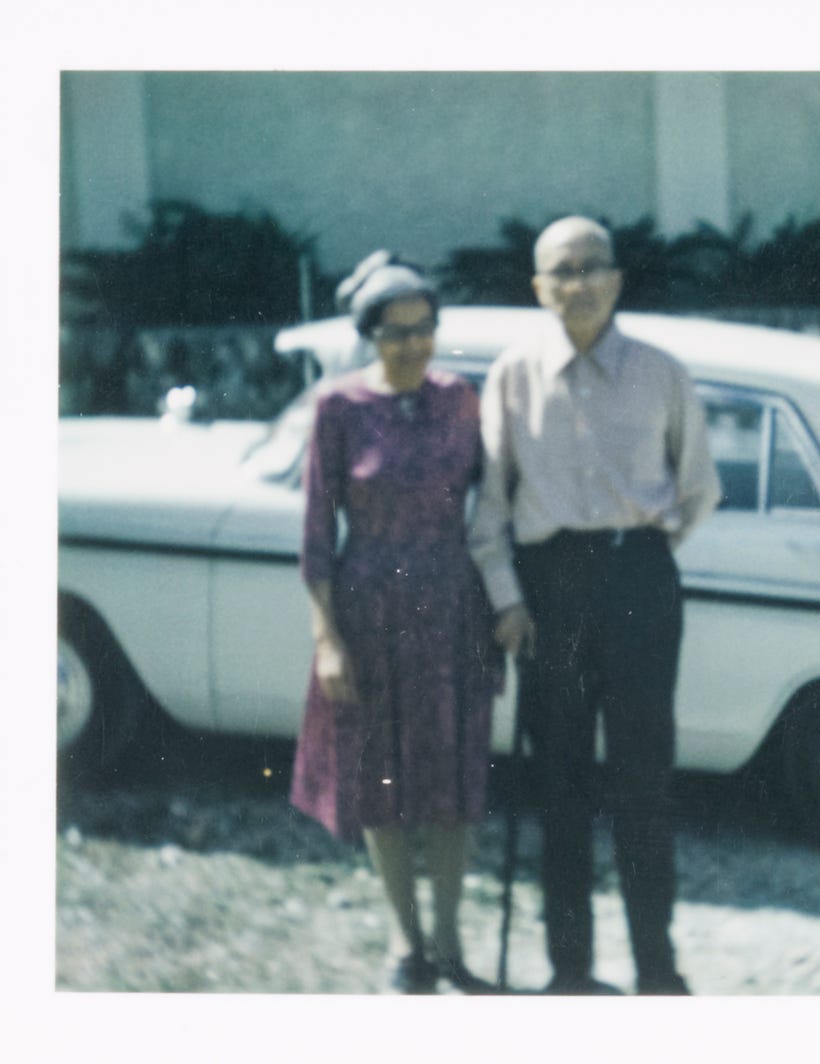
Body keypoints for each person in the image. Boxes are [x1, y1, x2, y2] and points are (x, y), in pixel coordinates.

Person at [470, 216, 722, 995]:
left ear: (617, 279)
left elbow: (699, 489)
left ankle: (658, 969)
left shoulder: (661, 372)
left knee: (644, 786)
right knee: (561, 787)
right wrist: (509, 599)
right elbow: (489, 512)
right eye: (561, 271)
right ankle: (569, 973)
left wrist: (638, 559)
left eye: (591, 268)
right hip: (549, 593)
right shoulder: (512, 376)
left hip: (638, 582)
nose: (577, 284)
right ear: (539, 288)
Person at [290, 251, 501, 994]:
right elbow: (316, 534)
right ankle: (406, 943)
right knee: (381, 786)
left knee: (451, 782)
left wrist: (506, 600)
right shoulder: (338, 408)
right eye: (395, 332)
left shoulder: (463, 400)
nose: (412, 344)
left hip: (450, 608)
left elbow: (499, 508)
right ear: (369, 335)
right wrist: (327, 640)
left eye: (424, 328)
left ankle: (449, 944)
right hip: (368, 610)